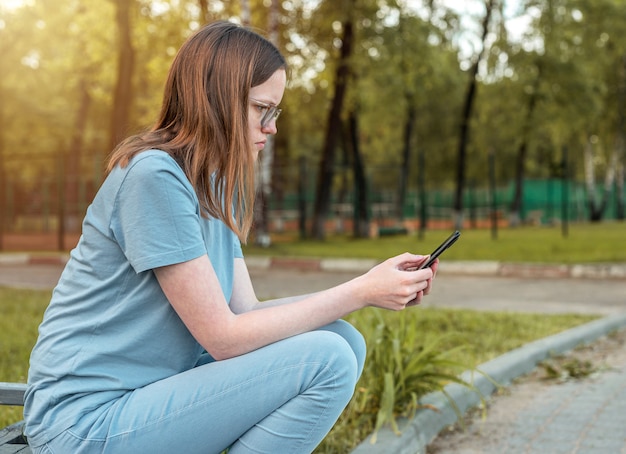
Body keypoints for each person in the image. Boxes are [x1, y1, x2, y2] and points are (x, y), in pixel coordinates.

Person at [24, 20, 438, 454]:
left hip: (142, 397)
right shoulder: (153, 177)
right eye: (263, 108)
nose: (271, 126)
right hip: (82, 424)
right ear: (216, 98)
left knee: (343, 340)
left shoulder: (210, 184)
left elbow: (246, 311)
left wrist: (368, 286)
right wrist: (360, 292)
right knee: (328, 359)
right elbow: (224, 338)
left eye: (275, 111)